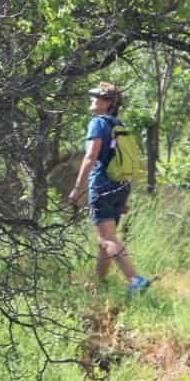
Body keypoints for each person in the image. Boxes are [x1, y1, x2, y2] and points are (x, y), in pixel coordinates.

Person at [67, 82, 150, 295]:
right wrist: (122, 199)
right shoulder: (117, 124)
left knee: (107, 240)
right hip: (120, 187)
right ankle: (99, 285)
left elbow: (91, 156)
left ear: (107, 103)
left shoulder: (98, 123)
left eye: (98, 97)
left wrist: (77, 188)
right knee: (104, 242)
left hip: (102, 186)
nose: (93, 100)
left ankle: (135, 280)